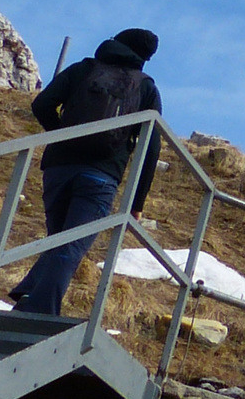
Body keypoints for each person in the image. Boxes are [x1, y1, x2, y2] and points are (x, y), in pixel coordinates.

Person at [9, 29, 162, 315]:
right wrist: (137, 203)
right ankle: (39, 312)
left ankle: (28, 293)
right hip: (101, 176)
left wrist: (62, 137)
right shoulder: (145, 87)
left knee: (60, 238)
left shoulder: (83, 69)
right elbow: (151, 148)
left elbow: (41, 104)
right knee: (71, 246)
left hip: (58, 169)